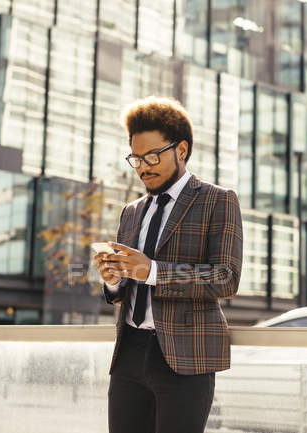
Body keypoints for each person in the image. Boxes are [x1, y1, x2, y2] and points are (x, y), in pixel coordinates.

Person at [94, 96, 243, 433]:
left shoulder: (218, 200)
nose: (143, 167)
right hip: (129, 354)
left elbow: (226, 277)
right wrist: (114, 279)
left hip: (185, 359)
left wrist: (155, 272)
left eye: (152, 156)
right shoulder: (131, 211)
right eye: (136, 158)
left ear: (181, 150)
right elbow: (126, 287)